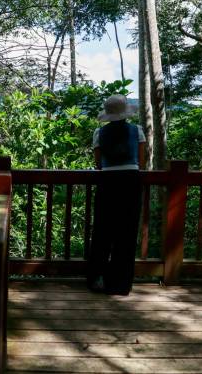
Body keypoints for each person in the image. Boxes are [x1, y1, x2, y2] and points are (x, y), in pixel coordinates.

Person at [88, 94, 146, 295]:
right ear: (125, 112)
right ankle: (120, 284)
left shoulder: (99, 133)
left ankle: (97, 279)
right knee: (127, 232)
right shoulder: (136, 131)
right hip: (131, 180)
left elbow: (98, 164)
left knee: (103, 231)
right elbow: (141, 160)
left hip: (108, 182)